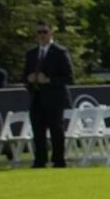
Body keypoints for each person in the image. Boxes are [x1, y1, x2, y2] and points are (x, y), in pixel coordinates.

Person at [23, 21, 73, 167]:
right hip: (37, 98)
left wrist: (49, 80)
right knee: (38, 132)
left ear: (51, 33)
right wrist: (29, 78)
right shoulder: (31, 54)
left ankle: (58, 160)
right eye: (39, 32)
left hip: (54, 98)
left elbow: (69, 77)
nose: (42, 35)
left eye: (44, 32)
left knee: (56, 130)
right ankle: (40, 160)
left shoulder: (59, 52)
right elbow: (23, 76)